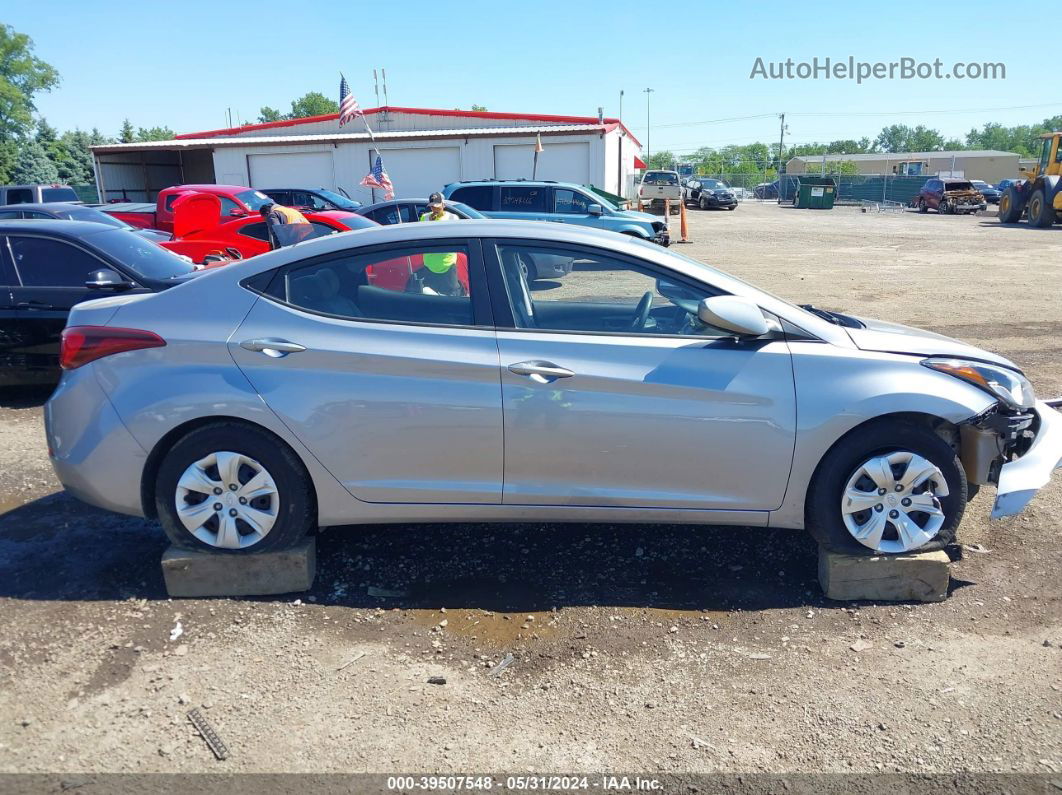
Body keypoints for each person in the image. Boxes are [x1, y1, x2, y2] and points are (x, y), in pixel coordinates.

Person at [415, 193, 465, 296]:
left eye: (437, 206)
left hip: (447, 264)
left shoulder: (452, 218)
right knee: (429, 294)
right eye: (432, 206)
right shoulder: (425, 218)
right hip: (429, 264)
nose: (434, 209)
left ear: (443, 205)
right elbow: (421, 237)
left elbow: (455, 239)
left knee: (451, 295)